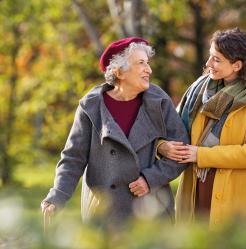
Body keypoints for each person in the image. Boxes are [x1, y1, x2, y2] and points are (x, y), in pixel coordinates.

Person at [41, 37, 189, 227]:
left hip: (151, 210)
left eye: (148, 63)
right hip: (105, 213)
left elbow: (181, 151)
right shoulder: (91, 106)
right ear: (119, 71)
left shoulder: (159, 101)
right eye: (141, 63)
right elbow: (73, 158)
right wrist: (56, 197)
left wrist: (150, 178)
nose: (149, 69)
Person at [157, 28, 246, 227]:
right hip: (195, 191)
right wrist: (162, 146)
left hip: (237, 198)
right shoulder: (198, 92)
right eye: (209, 57)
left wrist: (201, 155)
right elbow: (169, 130)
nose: (208, 64)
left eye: (216, 59)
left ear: (237, 65)